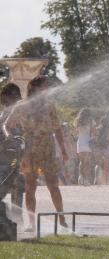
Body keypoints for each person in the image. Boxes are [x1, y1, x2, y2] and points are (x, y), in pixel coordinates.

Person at [4, 75, 68, 232]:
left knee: (53, 184)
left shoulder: (49, 106)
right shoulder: (22, 106)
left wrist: (63, 149)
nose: (47, 89)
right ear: (34, 87)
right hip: (29, 149)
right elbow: (7, 125)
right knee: (30, 186)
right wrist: (10, 137)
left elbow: (57, 129)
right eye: (44, 86)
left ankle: (62, 218)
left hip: (47, 148)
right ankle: (31, 222)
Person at [0, 83, 24, 220]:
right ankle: (11, 217)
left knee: (17, 186)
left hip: (15, 155)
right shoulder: (4, 114)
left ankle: (16, 218)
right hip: (5, 155)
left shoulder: (18, 111)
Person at [74, 108, 94, 186]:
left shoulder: (77, 121)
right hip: (87, 141)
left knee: (81, 161)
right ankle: (86, 179)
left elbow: (76, 132)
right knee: (87, 162)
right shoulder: (90, 121)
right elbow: (93, 131)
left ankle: (80, 177)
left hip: (80, 141)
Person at [93, 115, 109, 185]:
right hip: (106, 149)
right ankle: (106, 181)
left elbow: (94, 138)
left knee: (98, 164)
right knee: (106, 166)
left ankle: (96, 179)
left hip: (98, 148)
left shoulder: (98, 129)